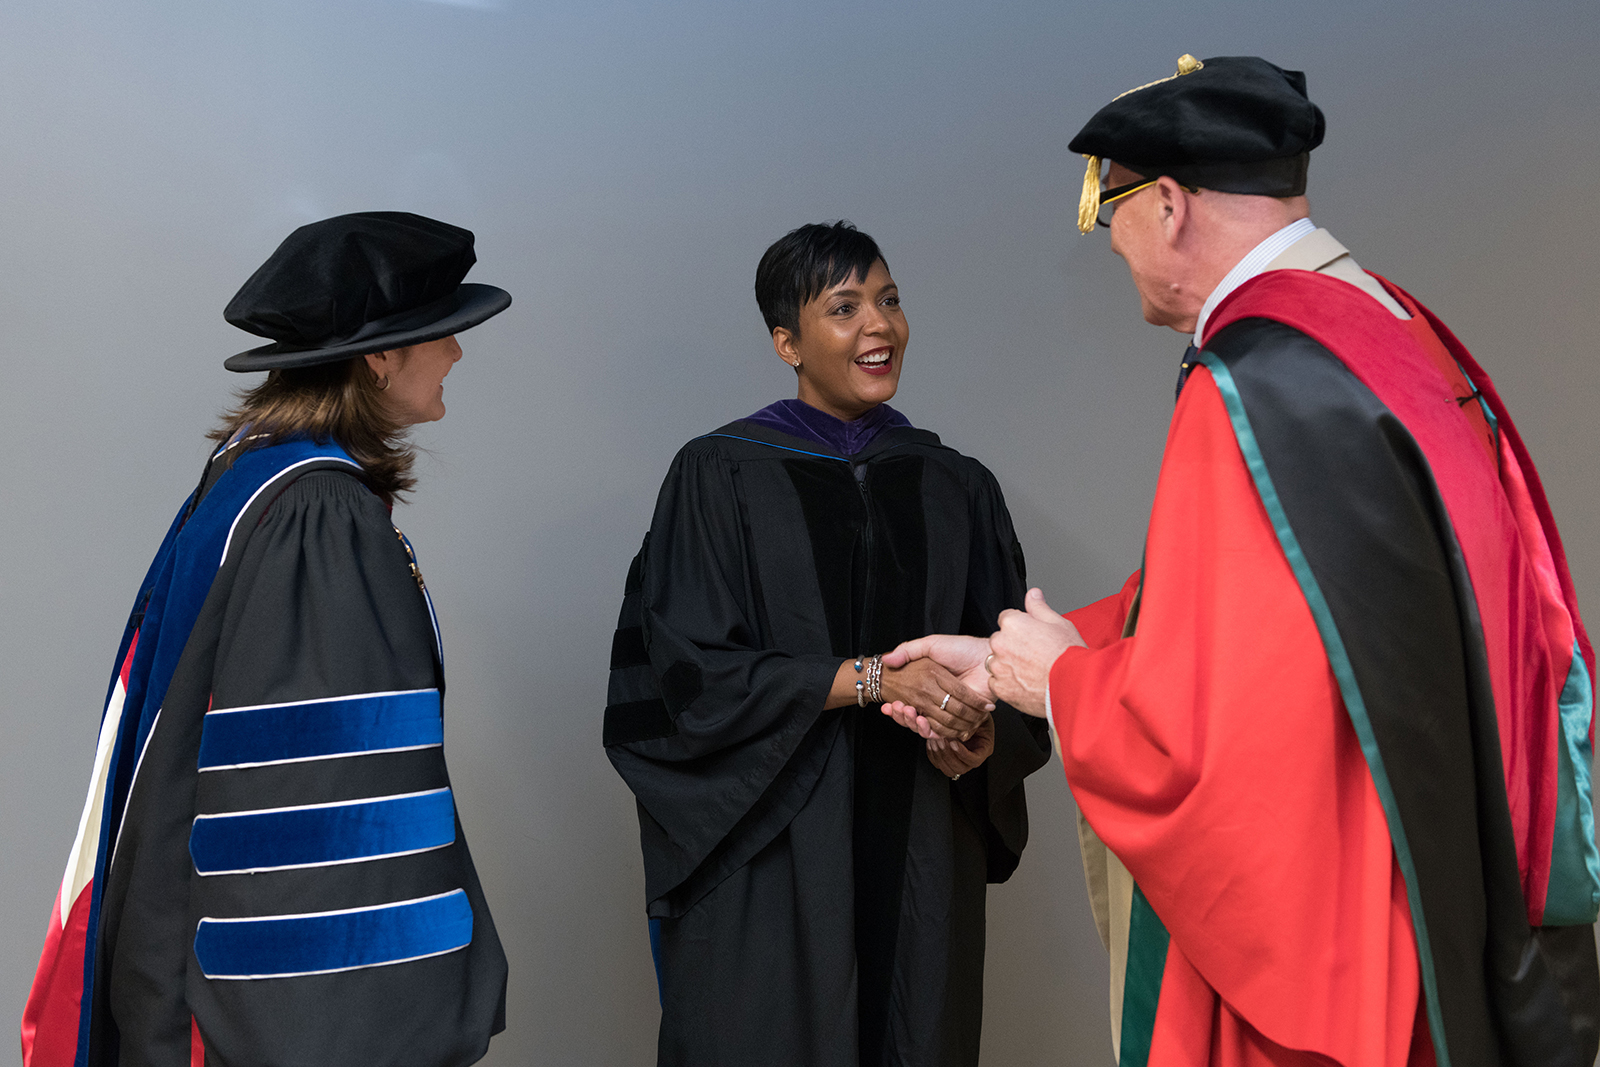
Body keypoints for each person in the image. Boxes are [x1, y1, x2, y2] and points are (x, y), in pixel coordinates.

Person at [885, 57, 1600, 1066]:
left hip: (1353, 916)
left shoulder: (1252, 378)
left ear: (1168, 204)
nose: (1112, 247)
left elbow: (1220, 736)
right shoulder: (1390, 329)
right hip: (1455, 857)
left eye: (1112, 216)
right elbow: (1302, 601)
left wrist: (1068, 684)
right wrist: (1020, 653)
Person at [22, 212, 511, 1067]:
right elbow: (326, 820)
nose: (460, 353)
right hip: (280, 1022)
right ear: (380, 355)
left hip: (188, 964)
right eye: (446, 332)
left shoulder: (250, 474)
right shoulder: (320, 518)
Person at [603, 221, 1052, 1067]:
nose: (878, 325)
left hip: (921, 841)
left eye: (889, 299)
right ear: (787, 343)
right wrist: (876, 679)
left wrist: (985, 739)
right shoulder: (718, 475)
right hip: (773, 850)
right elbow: (682, 677)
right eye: (844, 308)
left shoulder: (957, 485)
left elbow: (1014, 667)